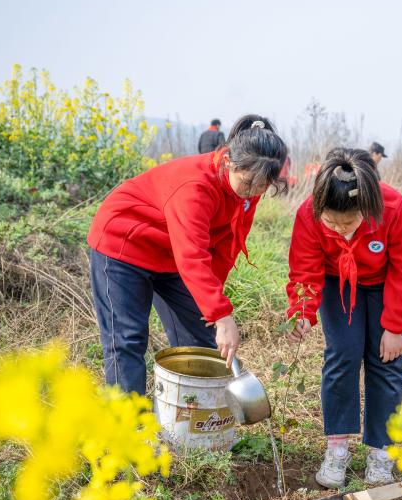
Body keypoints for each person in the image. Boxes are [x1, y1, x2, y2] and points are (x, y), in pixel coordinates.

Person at [87, 115, 287, 394]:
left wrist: (211, 304)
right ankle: (128, 428)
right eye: (248, 183)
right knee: (128, 340)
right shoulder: (195, 186)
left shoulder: (248, 191)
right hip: (123, 245)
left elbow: (226, 245)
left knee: (200, 339)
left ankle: (192, 421)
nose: (253, 193)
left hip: (169, 253)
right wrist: (222, 314)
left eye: (262, 186)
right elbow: (192, 256)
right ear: (229, 161)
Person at [286, 148, 402, 488]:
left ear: (367, 207)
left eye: (349, 223)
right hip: (337, 284)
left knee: (387, 360)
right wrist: (302, 311)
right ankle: (337, 448)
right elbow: (305, 268)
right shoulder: (309, 213)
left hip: (383, 285)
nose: (342, 230)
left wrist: (394, 327)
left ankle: (381, 451)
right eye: (332, 222)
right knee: (342, 354)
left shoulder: (393, 208)